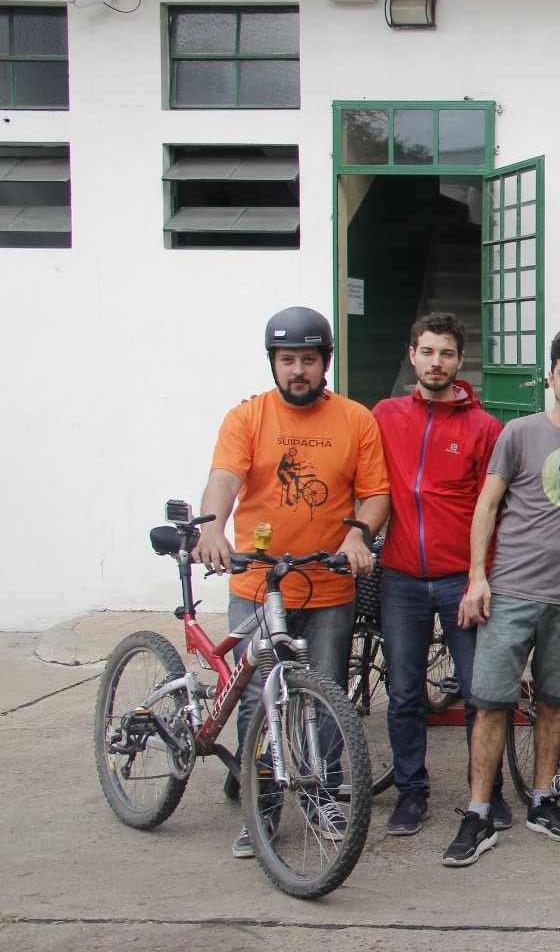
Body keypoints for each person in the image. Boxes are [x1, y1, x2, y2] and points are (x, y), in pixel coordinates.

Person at [193, 306, 390, 859]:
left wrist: (358, 536)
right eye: (287, 360)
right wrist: (211, 528)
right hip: (258, 584)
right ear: (273, 363)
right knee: (257, 697)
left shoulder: (355, 419)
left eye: (307, 359)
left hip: (327, 584)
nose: (297, 370)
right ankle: (262, 804)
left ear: (325, 362)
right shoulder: (247, 417)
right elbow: (224, 478)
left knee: (325, 693)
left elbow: (376, 493)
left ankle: (321, 793)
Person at [444, 324, 560, 867]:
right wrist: (478, 577)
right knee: (490, 702)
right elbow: (486, 505)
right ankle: (478, 812)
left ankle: (544, 800)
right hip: (513, 590)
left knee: (554, 700)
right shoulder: (519, 433)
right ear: (550, 376)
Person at [371, 311, 504, 837]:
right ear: (412, 355)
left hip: (459, 579)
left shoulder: (483, 427)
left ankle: (486, 792)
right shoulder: (384, 415)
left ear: (459, 360)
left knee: (478, 693)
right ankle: (411, 792)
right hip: (400, 576)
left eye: (446, 353)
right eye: (427, 351)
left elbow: (494, 511)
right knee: (404, 693)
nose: (436, 362)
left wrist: (480, 576)